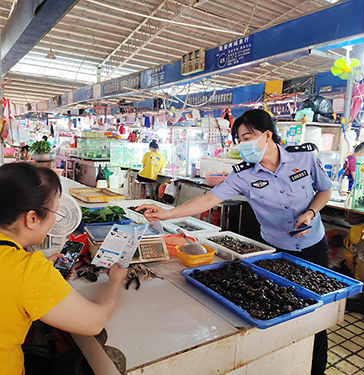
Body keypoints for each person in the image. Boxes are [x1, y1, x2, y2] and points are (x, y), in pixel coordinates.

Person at [136, 109, 333, 375]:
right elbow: (208, 200)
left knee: (317, 311)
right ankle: (286, 363)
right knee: (281, 304)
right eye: (239, 139)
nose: (243, 145)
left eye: (247, 136)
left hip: (312, 245)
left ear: (267, 135)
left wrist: (310, 213)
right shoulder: (244, 174)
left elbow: (325, 189)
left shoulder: (305, 157)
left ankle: (316, 368)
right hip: (275, 250)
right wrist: (167, 212)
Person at [0, 163, 128, 374]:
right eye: (55, 210)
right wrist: (114, 282)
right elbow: (94, 323)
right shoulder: (26, 270)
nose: (55, 218)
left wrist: (42, 273)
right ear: (32, 218)